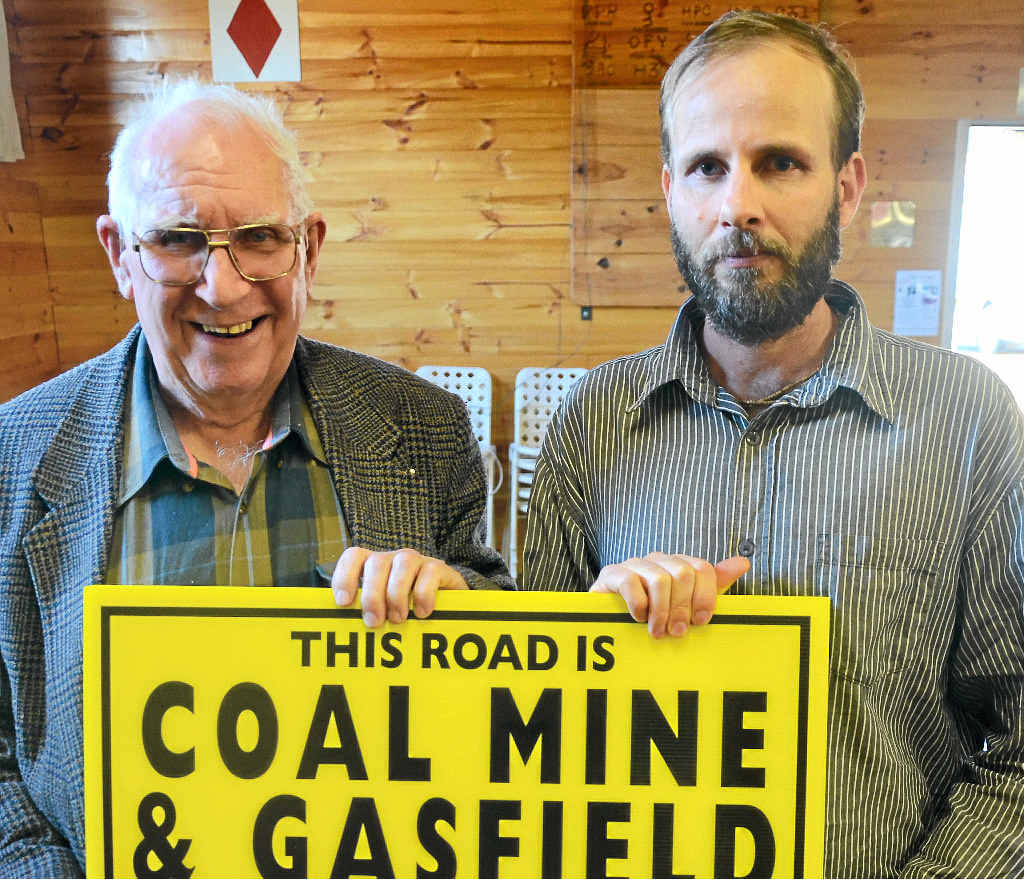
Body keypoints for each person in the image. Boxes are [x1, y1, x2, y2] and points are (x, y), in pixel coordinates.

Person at [522, 10, 1024, 877]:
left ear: (849, 186)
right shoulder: (590, 423)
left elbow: (1017, 744)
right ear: (671, 190)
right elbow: (518, 724)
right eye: (707, 167)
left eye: (780, 163)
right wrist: (576, 640)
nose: (738, 206)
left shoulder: (971, 423)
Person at [0, 80, 510, 876]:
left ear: (306, 247)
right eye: (177, 238)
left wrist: (463, 616)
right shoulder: (13, 457)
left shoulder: (424, 429)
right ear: (118, 255)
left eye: (260, 237)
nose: (224, 285)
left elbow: (507, 687)